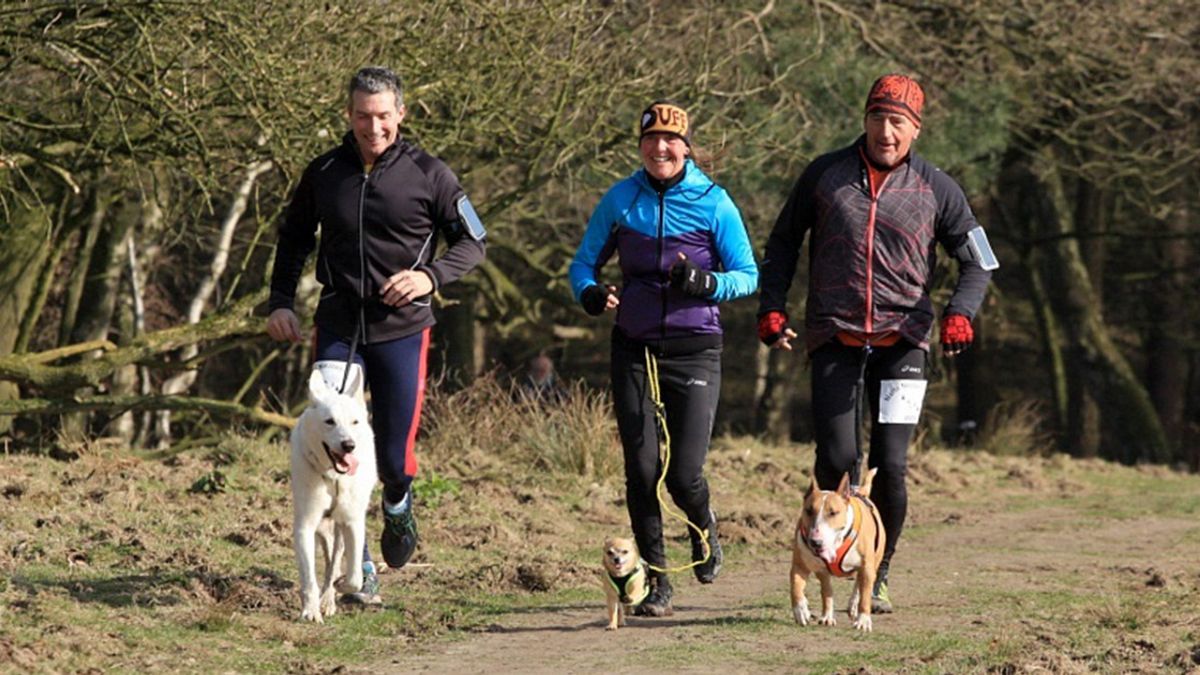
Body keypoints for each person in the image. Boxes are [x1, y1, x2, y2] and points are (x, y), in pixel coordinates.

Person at [757, 74, 997, 614]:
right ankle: (825, 562)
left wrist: (960, 313)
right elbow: (783, 241)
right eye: (877, 119)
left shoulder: (939, 188)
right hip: (834, 334)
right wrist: (771, 305)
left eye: (898, 122)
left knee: (890, 463)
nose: (886, 132)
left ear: (916, 129)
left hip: (903, 341)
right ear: (864, 120)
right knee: (837, 458)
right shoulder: (825, 175)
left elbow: (979, 260)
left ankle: (877, 571)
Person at [267, 66, 486, 603]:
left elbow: (473, 242)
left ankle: (397, 501)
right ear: (349, 114)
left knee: (392, 455)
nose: (373, 127)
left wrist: (428, 277)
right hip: (339, 324)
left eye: (383, 116)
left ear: (401, 114)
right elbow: (293, 240)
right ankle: (359, 566)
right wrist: (280, 303)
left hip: (403, 328)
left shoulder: (430, 174)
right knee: (337, 442)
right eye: (363, 116)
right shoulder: (324, 172)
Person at [569, 101, 758, 617]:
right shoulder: (620, 199)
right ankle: (656, 582)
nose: (660, 148)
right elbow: (582, 264)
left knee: (683, 475)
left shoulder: (714, 201)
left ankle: (704, 529)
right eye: (650, 139)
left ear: (686, 147)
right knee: (641, 469)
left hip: (695, 348)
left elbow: (748, 275)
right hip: (634, 346)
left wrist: (705, 282)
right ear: (640, 146)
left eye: (671, 140)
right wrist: (589, 294)